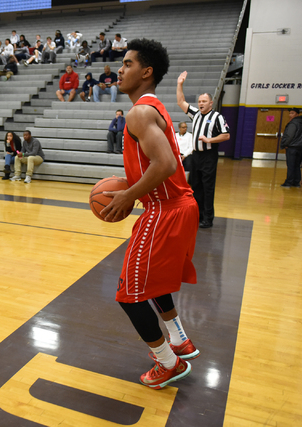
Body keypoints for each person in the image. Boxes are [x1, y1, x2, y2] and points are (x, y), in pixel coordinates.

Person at [101, 38, 199, 390]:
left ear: (146, 72)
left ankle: (167, 362)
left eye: (127, 64)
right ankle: (179, 339)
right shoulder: (153, 107)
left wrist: (128, 195)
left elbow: (166, 164)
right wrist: (130, 185)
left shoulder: (139, 112)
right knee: (152, 282)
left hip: (165, 210)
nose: (120, 70)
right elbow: (159, 165)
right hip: (179, 206)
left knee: (129, 295)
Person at [176, 71, 230, 228]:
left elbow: (226, 136)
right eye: (199, 101)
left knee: (207, 187)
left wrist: (210, 140)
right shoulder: (196, 114)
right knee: (196, 186)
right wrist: (180, 84)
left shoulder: (217, 117)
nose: (201, 104)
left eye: (204, 101)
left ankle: (208, 218)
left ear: (211, 103)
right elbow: (181, 102)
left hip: (208, 155)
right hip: (196, 156)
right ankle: (197, 215)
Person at [279, 108, 302, 188]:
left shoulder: (293, 123)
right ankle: (296, 182)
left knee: (291, 165)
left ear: (297, 114)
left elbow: (289, 135)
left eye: (292, 113)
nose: (290, 115)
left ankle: (289, 182)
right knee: (297, 165)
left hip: (292, 147)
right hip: (300, 147)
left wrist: (285, 144)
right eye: (290, 113)